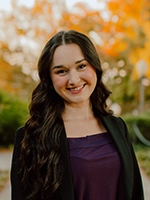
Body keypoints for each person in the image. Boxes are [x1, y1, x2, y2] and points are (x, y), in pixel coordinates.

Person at [11, 30, 144, 200]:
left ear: (95, 67)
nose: (73, 80)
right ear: (49, 79)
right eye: (61, 71)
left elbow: (135, 192)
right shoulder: (30, 137)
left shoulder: (118, 126)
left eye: (81, 66)